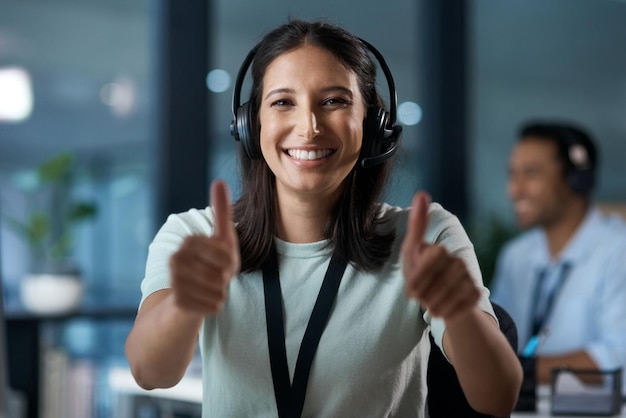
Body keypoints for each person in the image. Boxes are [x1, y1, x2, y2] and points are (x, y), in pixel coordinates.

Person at [125, 19, 522, 417]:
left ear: (371, 125)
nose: (309, 127)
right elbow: (150, 372)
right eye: (283, 102)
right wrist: (184, 304)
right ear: (251, 124)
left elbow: (498, 398)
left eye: (334, 101)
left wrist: (461, 312)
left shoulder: (428, 237)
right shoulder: (195, 235)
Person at [491, 120, 626, 388]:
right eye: (512, 174)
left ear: (576, 179)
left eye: (530, 173)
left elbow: (619, 356)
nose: (514, 190)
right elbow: (496, 339)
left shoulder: (618, 250)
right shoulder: (516, 255)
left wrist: (517, 370)